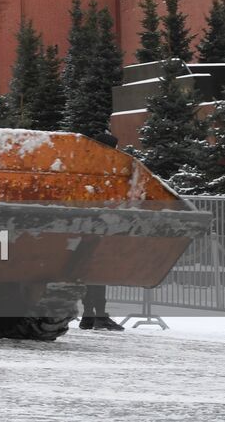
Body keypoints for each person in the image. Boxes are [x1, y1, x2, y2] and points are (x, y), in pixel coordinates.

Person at [80, 133, 127, 332]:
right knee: (98, 273)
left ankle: (88, 315)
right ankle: (99, 316)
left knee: (89, 273)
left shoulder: (85, 163)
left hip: (84, 225)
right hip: (100, 224)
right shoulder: (107, 167)